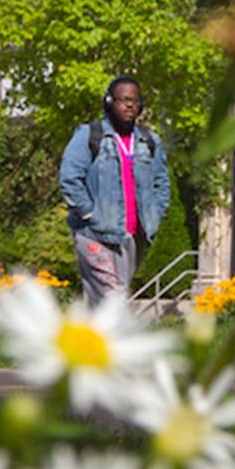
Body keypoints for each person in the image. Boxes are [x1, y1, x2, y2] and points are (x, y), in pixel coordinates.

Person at [58, 75, 171, 306]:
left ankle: (88, 339)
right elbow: (70, 178)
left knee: (102, 304)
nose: (130, 105)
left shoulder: (149, 141)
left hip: (134, 236)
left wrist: (154, 216)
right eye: (124, 100)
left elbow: (162, 183)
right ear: (109, 102)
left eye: (136, 101)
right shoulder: (90, 135)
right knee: (114, 297)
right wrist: (90, 215)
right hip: (94, 234)